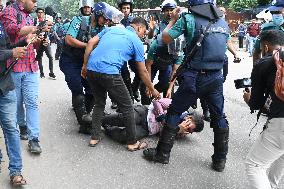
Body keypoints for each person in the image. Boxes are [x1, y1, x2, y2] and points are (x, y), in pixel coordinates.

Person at [143, 0, 230, 172]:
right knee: (219, 117)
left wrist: (173, 20)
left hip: (195, 77)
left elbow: (165, 38)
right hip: (216, 77)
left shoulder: (188, 18)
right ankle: (220, 161)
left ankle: (162, 154)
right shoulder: (222, 20)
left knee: (174, 112)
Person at [81, 16, 161, 150]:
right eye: (143, 32)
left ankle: (95, 137)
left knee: (99, 103)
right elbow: (142, 71)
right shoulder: (136, 41)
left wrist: (84, 65)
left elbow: (90, 43)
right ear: (139, 27)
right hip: (110, 72)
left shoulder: (111, 29)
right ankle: (132, 142)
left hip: (91, 69)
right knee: (128, 106)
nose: (143, 36)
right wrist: (152, 88)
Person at [0, 0, 51, 154]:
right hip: (13, 66)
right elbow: (11, 30)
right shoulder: (9, 11)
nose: (36, 3)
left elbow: (31, 43)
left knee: (32, 102)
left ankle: (34, 138)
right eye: (33, 0)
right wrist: (35, 28)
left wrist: (41, 42)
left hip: (31, 66)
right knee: (17, 102)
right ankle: (22, 126)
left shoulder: (30, 17)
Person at [59, 0, 109, 134]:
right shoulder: (79, 21)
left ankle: (85, 114)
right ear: (97, 14)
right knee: (77, 88)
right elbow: (68, 39)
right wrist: (88, 45)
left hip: (85, 61)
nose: (105, 21)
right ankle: (84, 124)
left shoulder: (102, 28)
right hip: (69, 60)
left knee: (93, 91)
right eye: (104, 18)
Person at [243, 30, 284, 189]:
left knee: (254, 165)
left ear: (265, 46)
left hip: (281, 122)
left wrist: (248, 99)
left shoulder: (265, 63)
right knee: (281, 155)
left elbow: (256, 103)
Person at [0, 20, 31, 186]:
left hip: (5, 86)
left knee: (11, 128)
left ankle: (16, 171)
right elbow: (6, 53)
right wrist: (11, 53)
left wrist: (23, 42)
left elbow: (4, 49)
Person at [140, 0, 185, 105]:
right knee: (144, 84)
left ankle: (164, 104)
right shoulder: (158, 34)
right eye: (167, 10)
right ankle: (146, 106)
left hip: (169, 61)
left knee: (167, 84)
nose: (169, 13)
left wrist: (168, 88)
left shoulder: (180, 26)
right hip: (156, 58)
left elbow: (175, 70)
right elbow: (150, 38)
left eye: (171, 10)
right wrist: (149, 86)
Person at [102, 99, 204, 144]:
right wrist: (161, 116)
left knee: (127, 137)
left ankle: (107, 128)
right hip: (145, 113)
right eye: (191, 129)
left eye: (191, 132)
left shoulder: (180, 130)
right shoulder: (179, 108)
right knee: (126, 119)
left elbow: (162, 136)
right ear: (189, 118)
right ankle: (101, 119)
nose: (189, 132)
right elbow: (157, 102)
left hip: (147, 129)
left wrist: (176, 131)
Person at [253, 0, 284, 64]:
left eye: (277, 12)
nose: (274, 15)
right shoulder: (267, 28)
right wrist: (257, 70)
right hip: (271, 70)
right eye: (272, 12)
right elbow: (257, 52)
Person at [34, 7, 56, 79]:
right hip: (38, 41)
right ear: (36, 13)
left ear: (44, 13)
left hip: (46, 40)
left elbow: (51, 29)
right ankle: (41, 73)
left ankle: (51, 72)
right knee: (39, 57)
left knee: (50, 56)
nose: (40, 14)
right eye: (39, 12)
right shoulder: (34, 21)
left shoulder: (47, 21)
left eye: (42, 12)